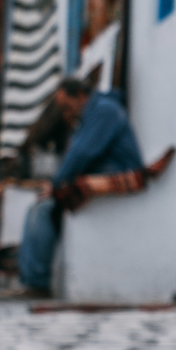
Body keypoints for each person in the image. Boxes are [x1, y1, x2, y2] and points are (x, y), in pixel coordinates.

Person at [12, 76, 144, 298]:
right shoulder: (91, 114)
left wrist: (55, 186)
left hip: (116, 172)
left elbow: (82, 153)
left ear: (81, 96)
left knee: (44, 209)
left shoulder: (104, 111)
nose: (66, 112)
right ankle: (30, 279)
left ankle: (37, 282)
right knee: (38, 207)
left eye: (67, 106)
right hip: (102, 171)